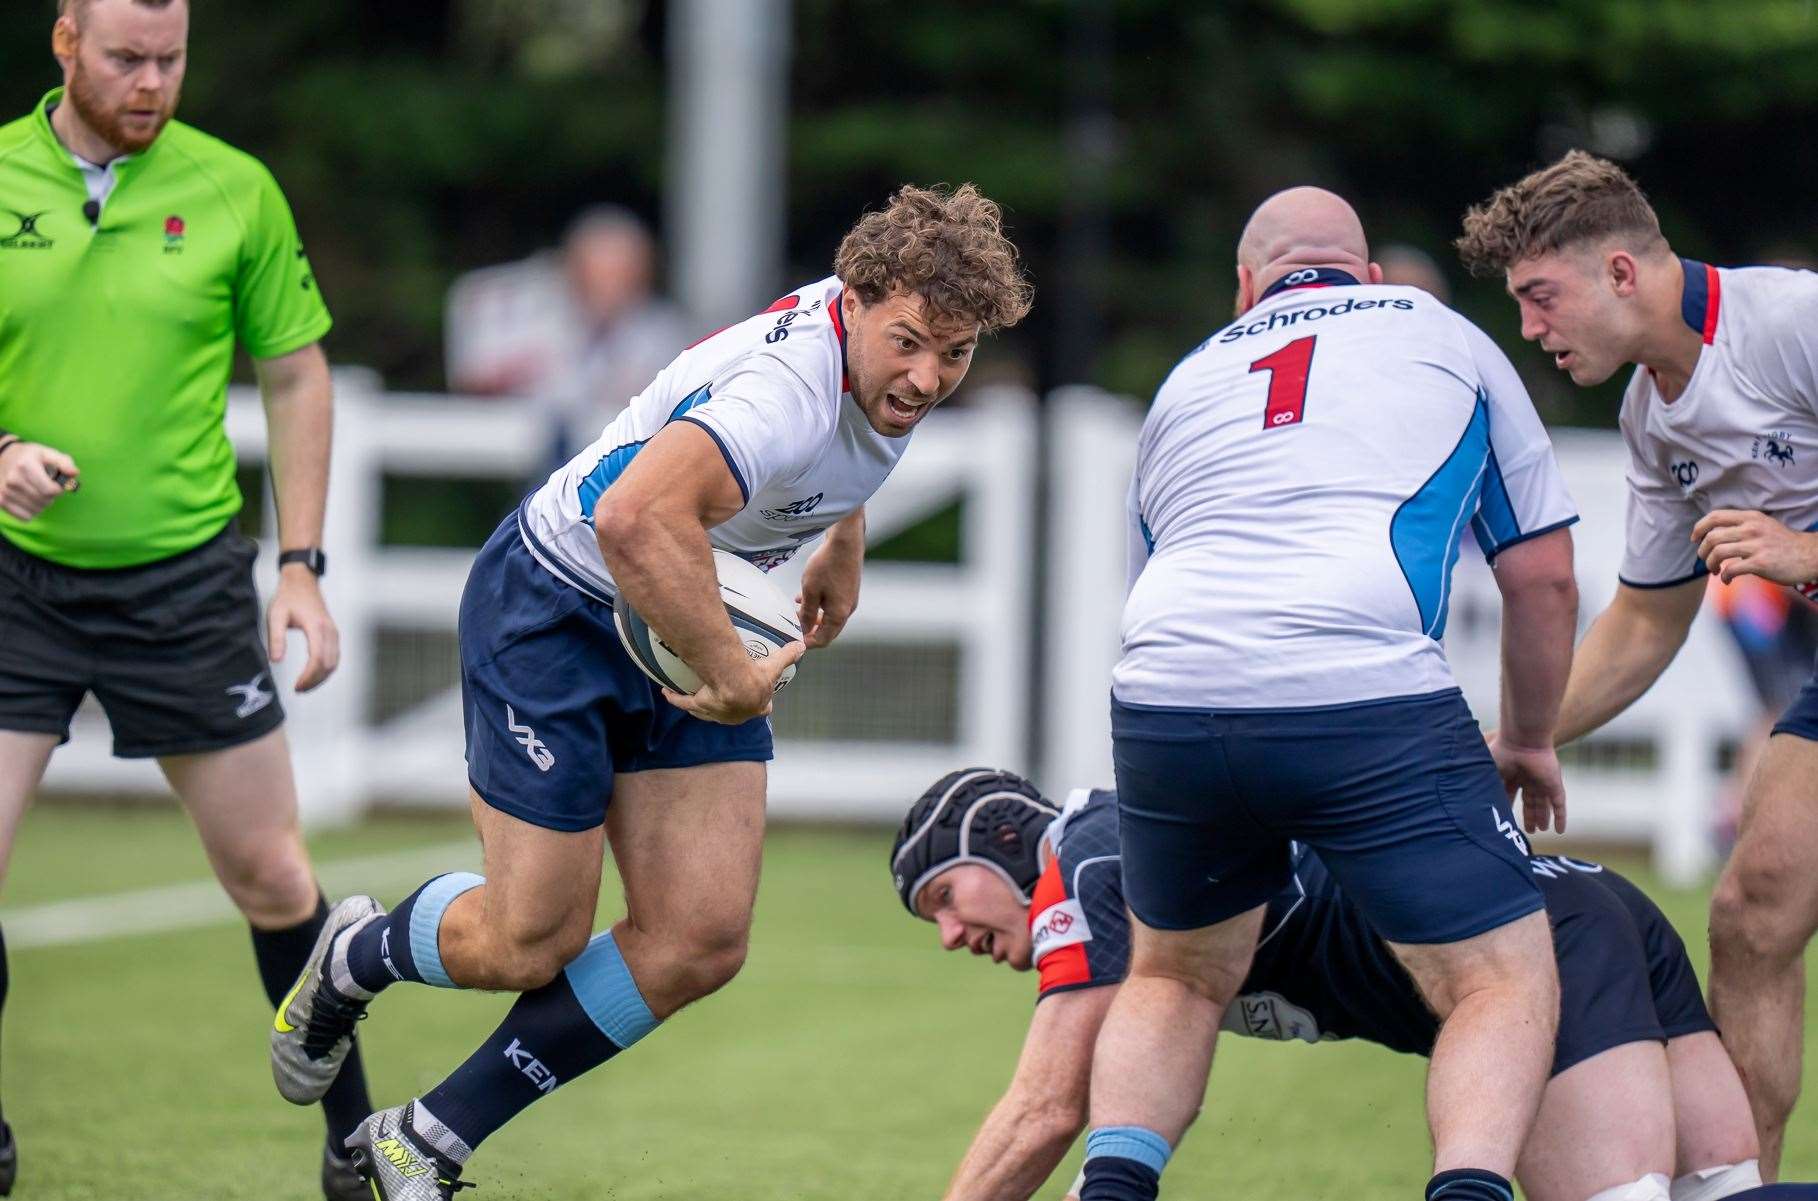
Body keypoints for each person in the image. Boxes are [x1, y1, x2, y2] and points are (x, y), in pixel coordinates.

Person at [268, 184, 1033, 1199]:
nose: (928, 377)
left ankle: (427, 1137)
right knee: (527, 938)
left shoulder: (878, 338)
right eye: (911, 345)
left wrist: (839, 533)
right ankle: (357, 952)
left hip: (675, 597)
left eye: (956, 354)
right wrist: (727, 676)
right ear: (853, 299)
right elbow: (634, 518)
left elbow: (845, 438)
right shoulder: (785, 390)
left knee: (699, 935)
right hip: (560, 605)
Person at [1087, 187, 1581, 1201]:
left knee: (1175, 975)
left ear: (1244, 288)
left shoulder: (1189, 377)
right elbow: (1544, 576)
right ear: (1374, 277)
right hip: (1360, 684)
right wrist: (1529, 735)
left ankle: (1110, 1191)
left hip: (1170, 690)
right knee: (1500, 979)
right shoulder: (1445, 335)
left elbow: (1155, 569)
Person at [0, 1, 368, 1195]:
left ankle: (357, 1142)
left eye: (171, 58)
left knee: (271, 874)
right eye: (125, 59)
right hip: (14, 582)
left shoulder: (232, 189)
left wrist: (301, 564)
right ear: (65, 42)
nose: (152, 81)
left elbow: (297, 371)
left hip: (184, 585)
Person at [891, 769, 1782, 1201]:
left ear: (1005, 840)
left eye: (945, 897)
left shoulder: (1085, 864)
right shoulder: (1131, 841)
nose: (951, 935)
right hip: (1588, 905)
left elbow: (1045, 1105)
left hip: (1550, 947)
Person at [1456, 151, 1818, 1177]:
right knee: (1753, 911)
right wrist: (1514, 738)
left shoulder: (1792, 323)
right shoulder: (1652, 418)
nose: (1528, 329)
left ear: (1620, 273)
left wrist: (1805, 554)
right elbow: (1645, 627)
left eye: (1540, 297)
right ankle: (1743, 1194)